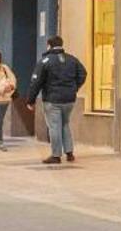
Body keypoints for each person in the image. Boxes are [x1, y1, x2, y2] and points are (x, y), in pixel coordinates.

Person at [27, 34, 87, 165]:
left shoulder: (45, 61)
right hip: (69, 99)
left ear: (49, 45)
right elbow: (83, 73)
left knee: (54, 126)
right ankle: (69, 153)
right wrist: (74, 88)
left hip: (52, 99)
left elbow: (36, 82)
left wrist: (30, 100)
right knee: (65, 124)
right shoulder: (72, 60)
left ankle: (56, 155)